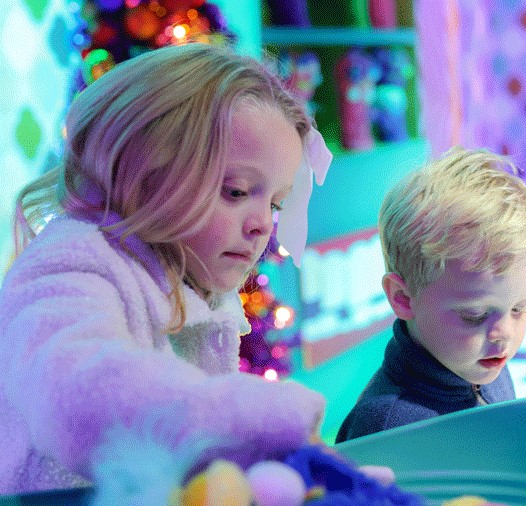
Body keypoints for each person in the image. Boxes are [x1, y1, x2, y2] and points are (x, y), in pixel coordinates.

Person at [0, 42, 334, 494]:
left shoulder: (194, 287)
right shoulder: (67, 268)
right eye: (235, 192)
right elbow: (82, 395)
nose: (262, 226)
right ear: (142, 170)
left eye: (274, 203)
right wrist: (257, 419)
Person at [335, 147, 526, 443]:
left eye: (519, 307)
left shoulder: (486, 368)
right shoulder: (384, 430)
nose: (505, 334)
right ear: (403, 297)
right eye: (474, 315)